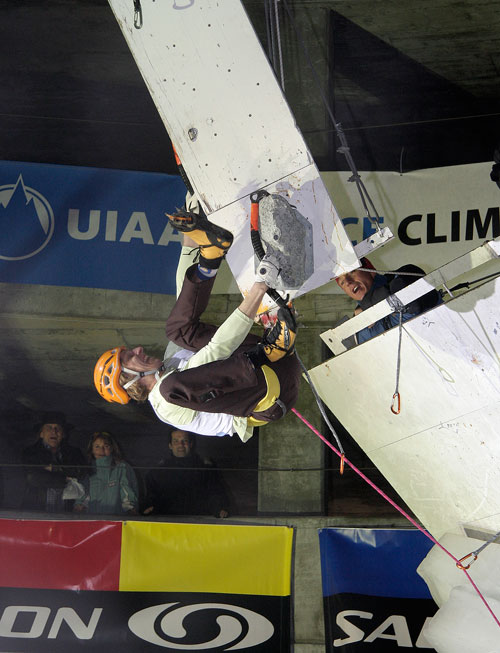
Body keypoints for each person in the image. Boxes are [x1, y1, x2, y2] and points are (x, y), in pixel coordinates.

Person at [94, 195, 301, 443]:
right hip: (269, 393)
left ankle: (210, 256)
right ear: (129, 381)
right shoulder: (165, 403)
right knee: (170, 388)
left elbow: (183, 299)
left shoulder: (170, 362)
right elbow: (216, 350)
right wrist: (259, 288)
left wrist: (192, 232)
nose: (138, 349)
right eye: (130, 357)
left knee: (176, 329)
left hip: (270, 363)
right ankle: (269, 349)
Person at [336, 257, 442, 345]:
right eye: (342, 283)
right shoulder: (357, 329)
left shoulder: (406, 274)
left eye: (352, 272)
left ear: (370, 270)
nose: (348, 282)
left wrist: (367, 306)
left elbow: (407, 295)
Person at [143, 429, 230, 518]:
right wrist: (148, 508)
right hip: (168, 523)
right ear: (170, 445)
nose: (181, 445)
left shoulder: (205, 469)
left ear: (191, 444)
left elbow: (215, 494)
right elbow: (151, 497)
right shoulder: (158, 472)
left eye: (184, 441)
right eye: (176, 441)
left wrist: (219, 509)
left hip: (200, 523)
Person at [22, 411, 86, 512]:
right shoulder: (30, 453)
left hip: (67, 514)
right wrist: (65, 479)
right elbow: (33, 478)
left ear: (63, 434)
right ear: (41, 433)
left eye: (58, 428)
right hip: (36, 512)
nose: (54, 432)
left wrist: (55, 469)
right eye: (49, 428)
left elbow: (82, 473)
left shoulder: (74, 453)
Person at [74, 431, 138, 515]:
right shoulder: (87, 470)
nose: (101, 450)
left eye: (106, 446)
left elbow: (127, 495)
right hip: (92, 521)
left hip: (117, 521)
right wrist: (79, 506)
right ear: (92, 450)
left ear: (112, 448)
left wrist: (130, 511)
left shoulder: (122, 468)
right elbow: (83, 495)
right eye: (97, 447)